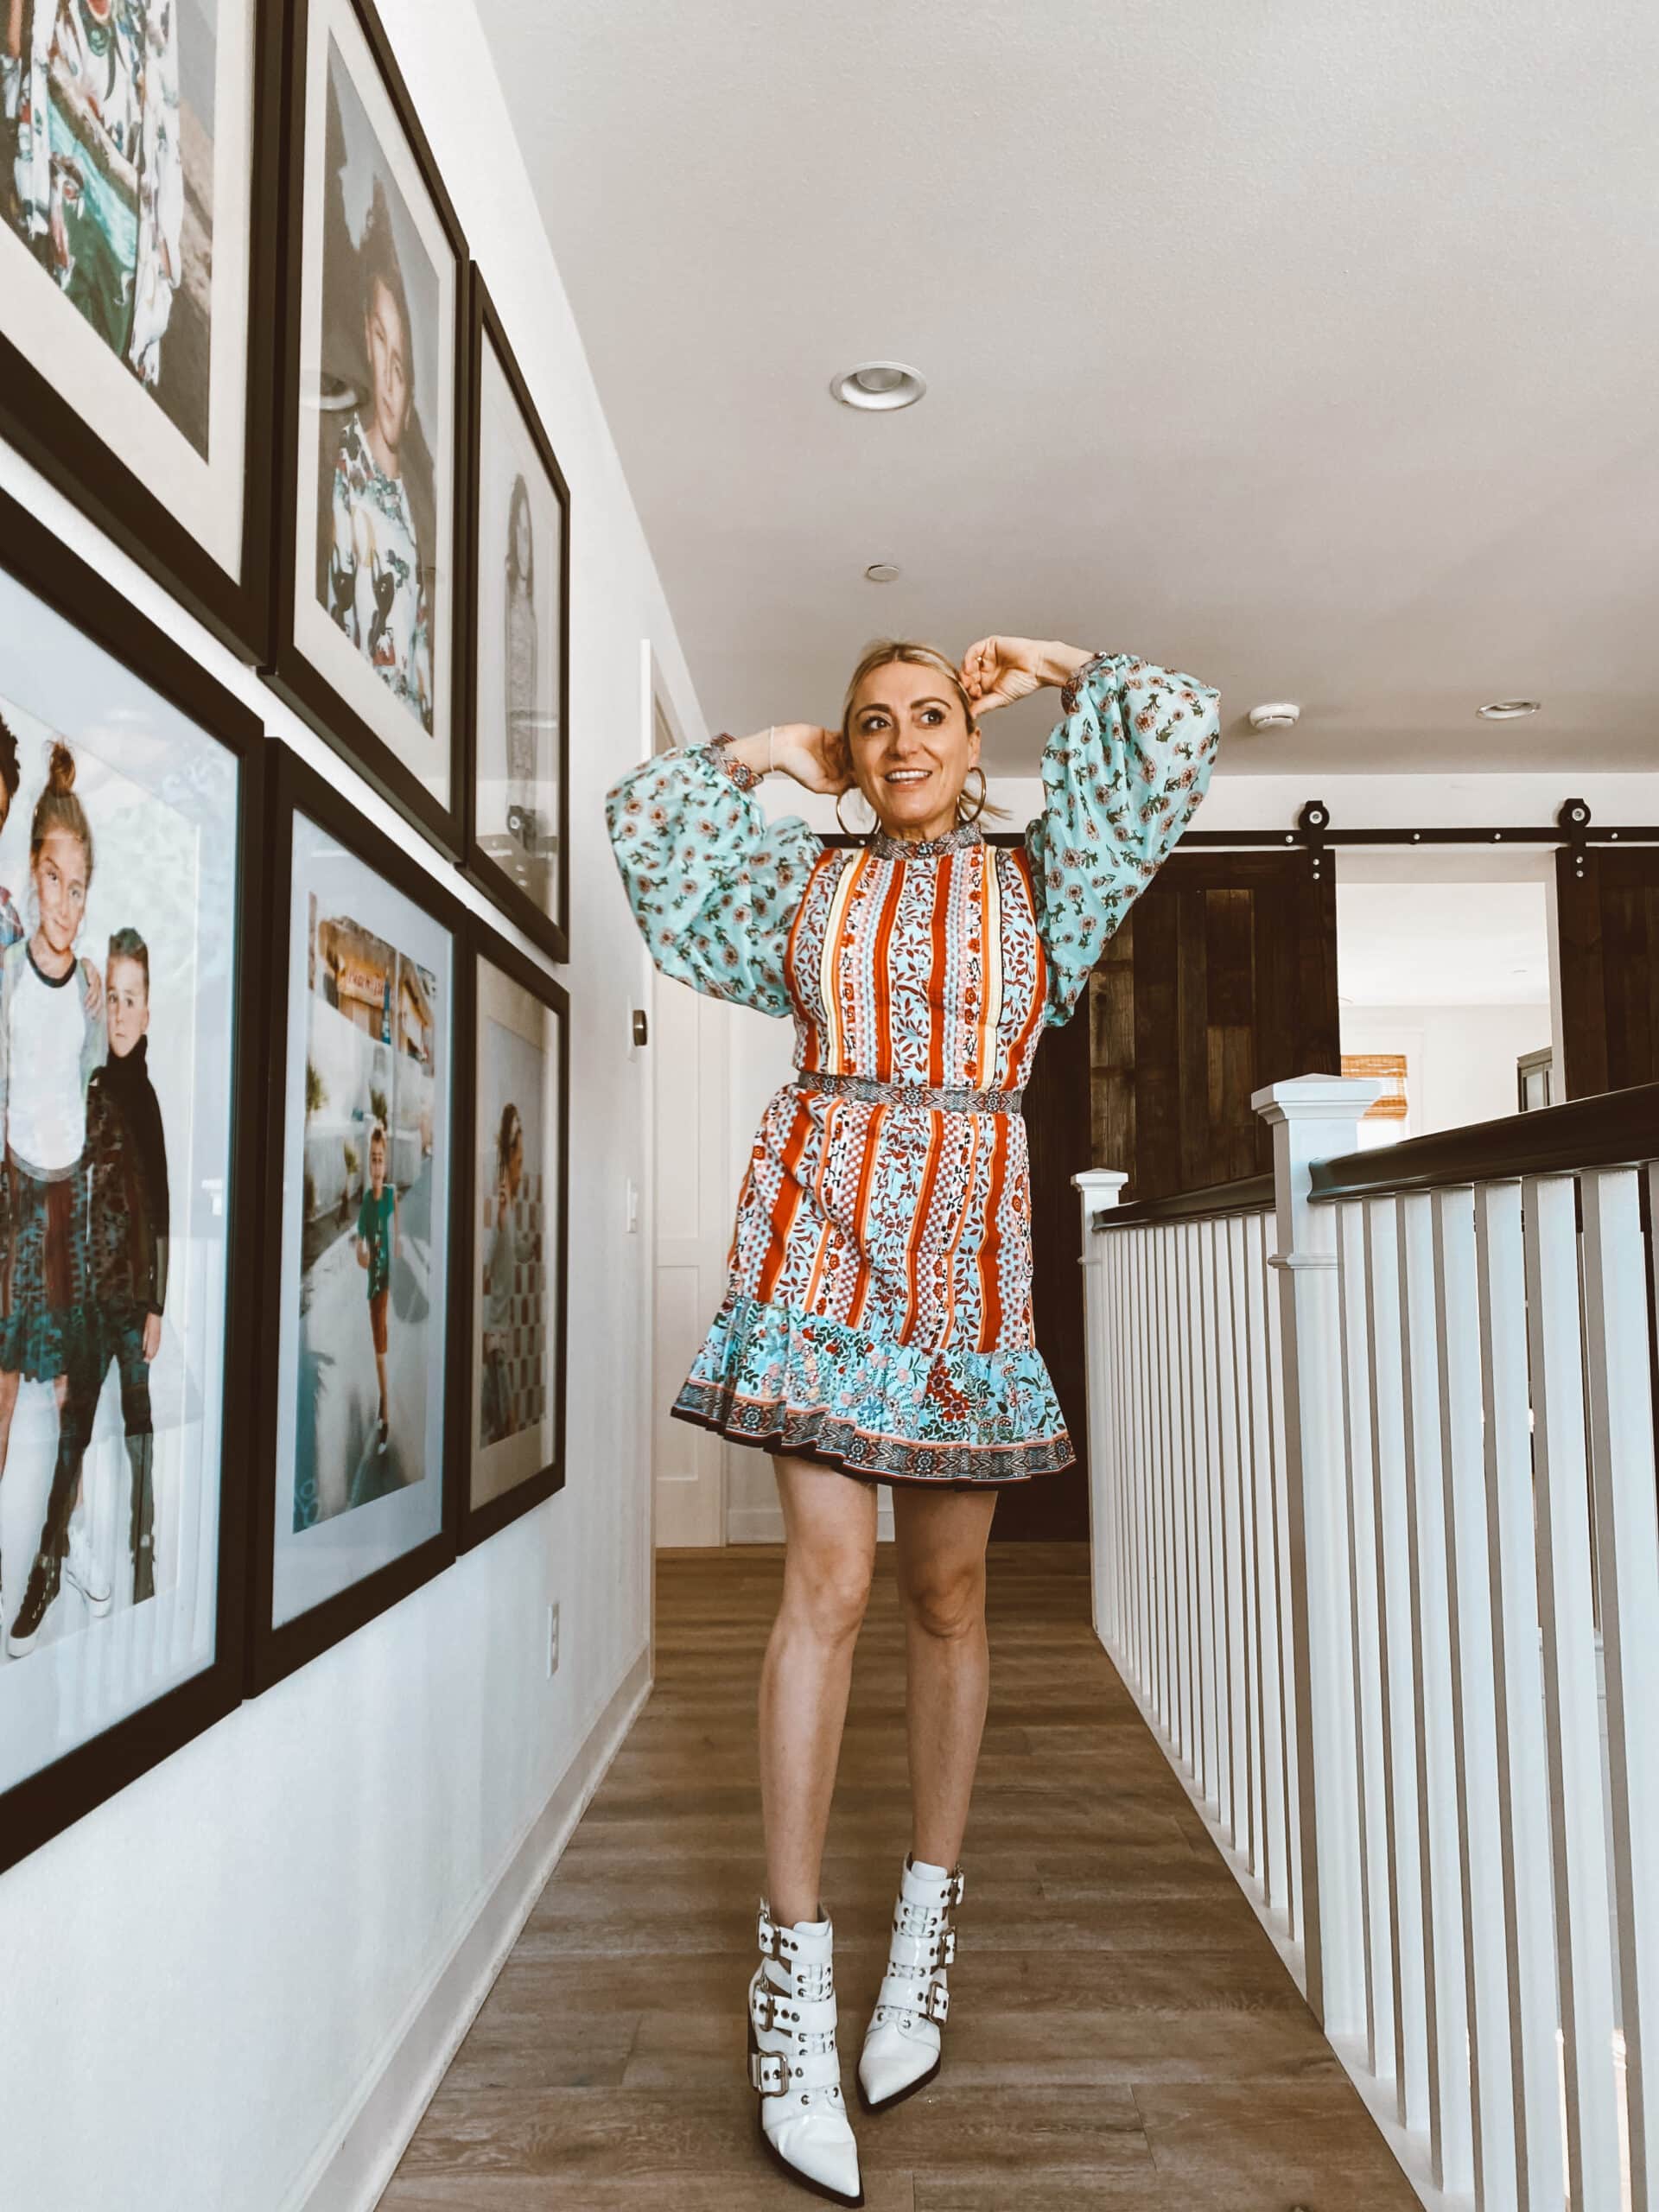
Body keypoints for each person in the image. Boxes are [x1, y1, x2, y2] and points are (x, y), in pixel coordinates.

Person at [607, 632, 1220, 2205]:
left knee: (951, 1595)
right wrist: (761, 752)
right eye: (872, 724)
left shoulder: (1047, 883)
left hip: (964, 1255)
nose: (899, 742)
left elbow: (1173, 731)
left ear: (973, 734)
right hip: (821, 1232)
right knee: (832, 1583)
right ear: (855, 748)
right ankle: (790, 1991)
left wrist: (1063, 661)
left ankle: (923, 1935)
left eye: (929, 716)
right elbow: (646, 832)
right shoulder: (800, 891)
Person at [3, 741, 107, 1658]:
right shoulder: (9, 973)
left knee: (72, 1394)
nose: (66, 903)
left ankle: (55, 1553)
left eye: (79, 887)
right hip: (12, 1198)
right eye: (53, 879)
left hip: (68, 1208)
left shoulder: (91, 1001)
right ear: (32, 873)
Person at [10, 0, 183, 383]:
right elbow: (17, 47)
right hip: (56, 169)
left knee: (94, 391)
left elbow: (165, 122)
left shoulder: (152, 12)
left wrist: (162, 246)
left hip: (124, 218)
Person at [326, 178, 433, 734]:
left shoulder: (412, 507)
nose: (391, 376)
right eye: (379, 341)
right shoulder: (348, 471)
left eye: (403, 359)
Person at [480, 1101, 523, 1446]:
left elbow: (516, 1255)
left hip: (500, 1341)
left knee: (501, 1431)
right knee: (500, 1429)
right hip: (495, 1344)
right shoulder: (497, 1211)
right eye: (520, 1162)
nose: (522, 1172)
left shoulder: (509, 1211)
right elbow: (486, 1270)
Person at [355, 1119, 398, 1456]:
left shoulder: (391, 1198)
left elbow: (397, 1242)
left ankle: (385, 1416)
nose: (377, 1164)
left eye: (381, 1158)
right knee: (378, 1350)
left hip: (387, 1285)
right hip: (374, 1287)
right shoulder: (367, 1206)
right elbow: (361, 1254)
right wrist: (363, 1253)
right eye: (372, 1158)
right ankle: (384, 1400)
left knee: (382, 1351)